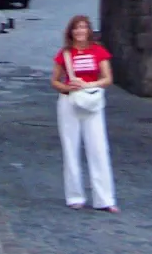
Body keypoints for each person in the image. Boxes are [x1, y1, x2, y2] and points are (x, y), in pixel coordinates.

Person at [50, 14, 118, 212]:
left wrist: (88, 85)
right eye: (76, 28)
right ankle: (74, 196)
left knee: (98, 148)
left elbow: (107, 78)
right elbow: (54, 80)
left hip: (92, 101)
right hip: (69, 101)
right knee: (70, 148)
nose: (80, 31)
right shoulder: (65, 54)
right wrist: (67, 87)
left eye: (83, 27)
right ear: (71, 32)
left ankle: (104, 199)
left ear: (89, 31)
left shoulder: (98, 51)